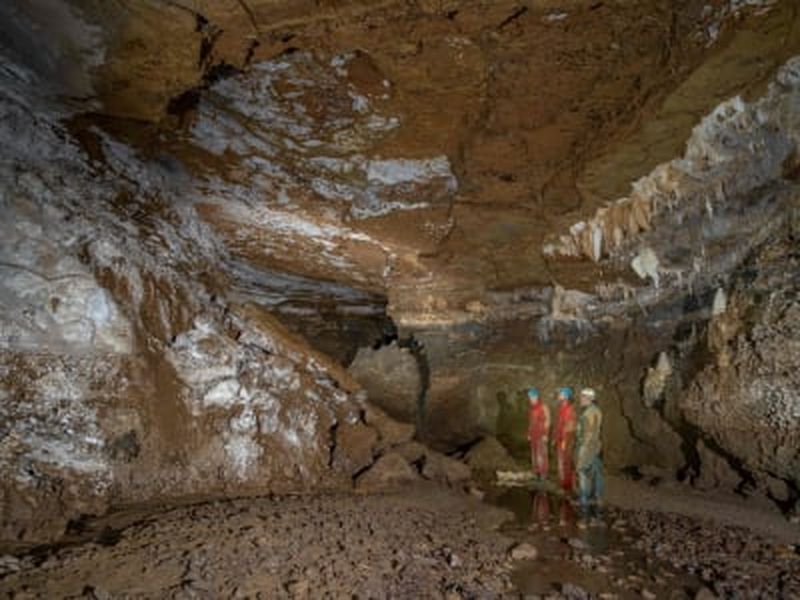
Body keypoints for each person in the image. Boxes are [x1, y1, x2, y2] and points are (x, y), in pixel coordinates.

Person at [575, 387, 604, 515]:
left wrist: (582, 450)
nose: (580, 399)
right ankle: (598, 498)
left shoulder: (587, 414)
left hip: (588, 446)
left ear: (588, 398)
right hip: (596, 445)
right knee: (597, 471)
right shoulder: (597, 411)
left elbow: (588, 432)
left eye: (582, 397)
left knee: (582, 472)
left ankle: (584, 501)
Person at [553, 387, 577, 493]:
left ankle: (567, 486)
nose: (559, 395)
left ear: (566, 396)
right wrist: (555, 438)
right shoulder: (562, 409)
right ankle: (564, 483)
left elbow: (570, 426)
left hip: (566, 439)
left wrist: (564, 440)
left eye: (561, 394)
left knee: (565, 462)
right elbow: (558, 425)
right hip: (561, 439)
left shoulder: (569, 410)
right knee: (561, 462)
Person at [526, 387, 550, 480]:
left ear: (536, 397)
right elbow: (531, 422)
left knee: (542, 454)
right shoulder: (531, 409)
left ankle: (543, 474)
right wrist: (529, 433)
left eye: (532, 397)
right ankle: (536, 472)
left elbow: (548, 421)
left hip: (541, 434)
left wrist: (546, 434)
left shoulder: (544, 407)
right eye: (529, 397)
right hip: (534, 434)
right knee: (534, 454)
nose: (530, 399)